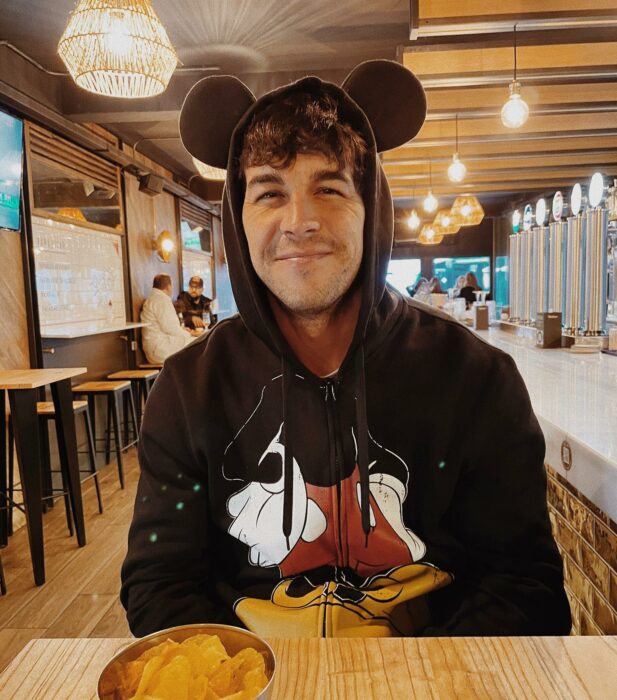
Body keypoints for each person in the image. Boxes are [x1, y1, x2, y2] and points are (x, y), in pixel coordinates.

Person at [121, 60, 570, 639]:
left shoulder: (476, 378)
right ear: (238, 220)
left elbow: (523, 585)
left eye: (328, 188)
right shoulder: (187, 389)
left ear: (372, 211)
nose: (299, 221)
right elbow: (160, 584)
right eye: (269, 193)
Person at [140, 273, 199, 364]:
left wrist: (183, 331)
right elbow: (171, 328)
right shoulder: (161, 300)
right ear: (168, 287)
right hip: (159, 349)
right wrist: (189, 334)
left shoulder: (153, 298)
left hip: (155, 348)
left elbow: (166, 327)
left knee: (195, 344)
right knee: (199, 343)